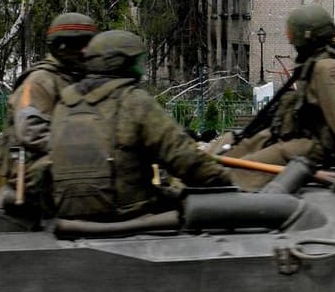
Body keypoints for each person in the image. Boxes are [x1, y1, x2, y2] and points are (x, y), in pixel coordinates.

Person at [47, 29, 230, 220]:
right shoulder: (134, 101)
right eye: (137, 61)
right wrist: (223, 180)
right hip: (125, 210)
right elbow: (184, 158)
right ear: (121, 63)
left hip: (66, 211)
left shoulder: (65, 102)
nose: (141, 68)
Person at [225, 4, 335, 191]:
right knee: (237, 148)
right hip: (296, 137)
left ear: (304, 36)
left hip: (318, 149)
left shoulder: (327, 68)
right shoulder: (316, 61)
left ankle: (228, 192)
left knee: (242, 171)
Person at [0, 12, 98, 208]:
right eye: (80, 44)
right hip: (36, 169)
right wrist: (83, 147)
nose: (86, 51)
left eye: (90, 44)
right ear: (62, 46)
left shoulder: (76, 78)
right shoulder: (40, 80)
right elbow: (31, 131)